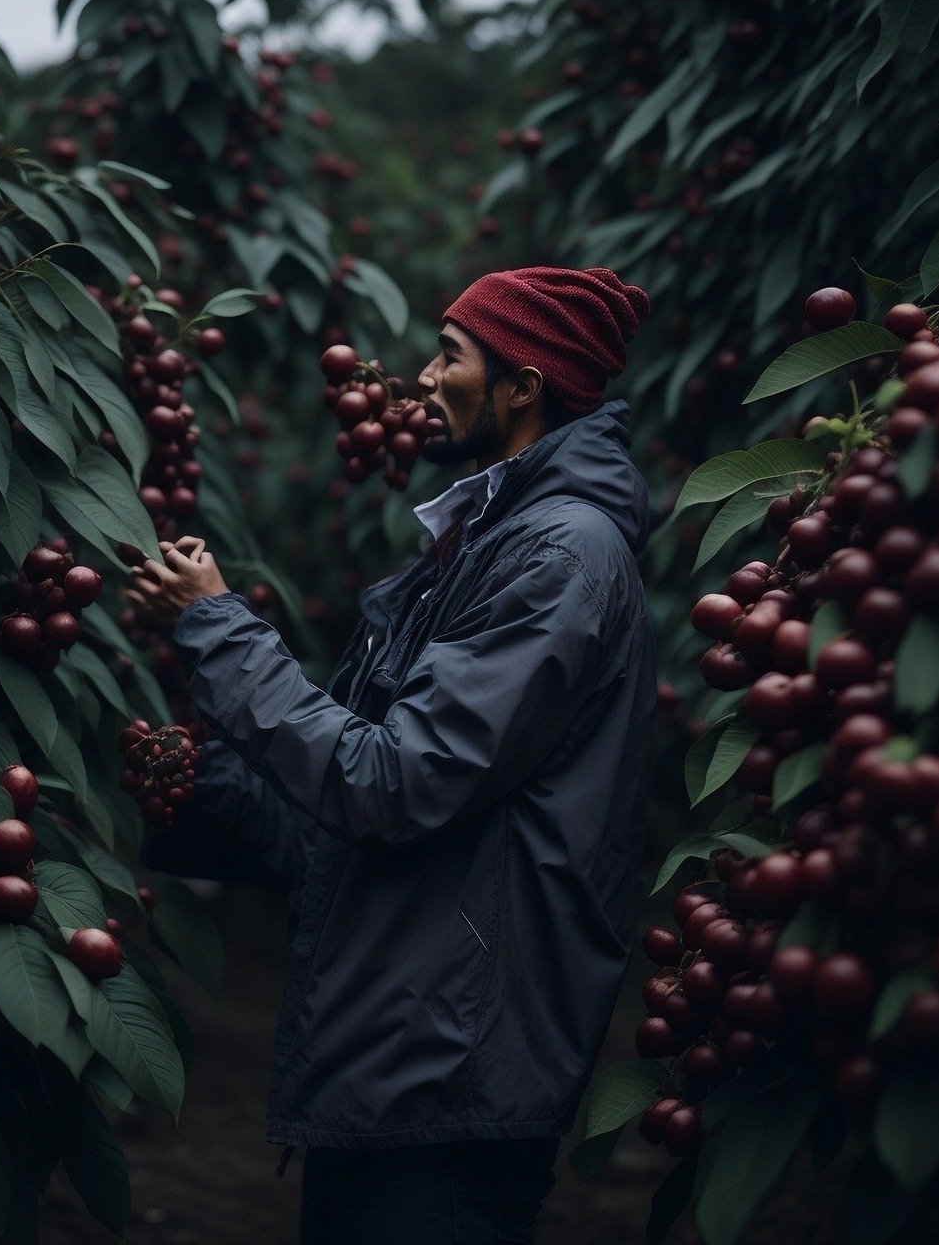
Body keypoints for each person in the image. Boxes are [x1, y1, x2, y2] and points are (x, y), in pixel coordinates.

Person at [125, 266, 656, 1245]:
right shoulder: (493, 539)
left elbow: (390, 783)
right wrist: (177, 770)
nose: (419, 377)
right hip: (414, 1041)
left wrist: (215, 627)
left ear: (522, 384)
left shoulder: (554, 556)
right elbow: (351, 797)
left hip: (451, 1062)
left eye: (448, 354)